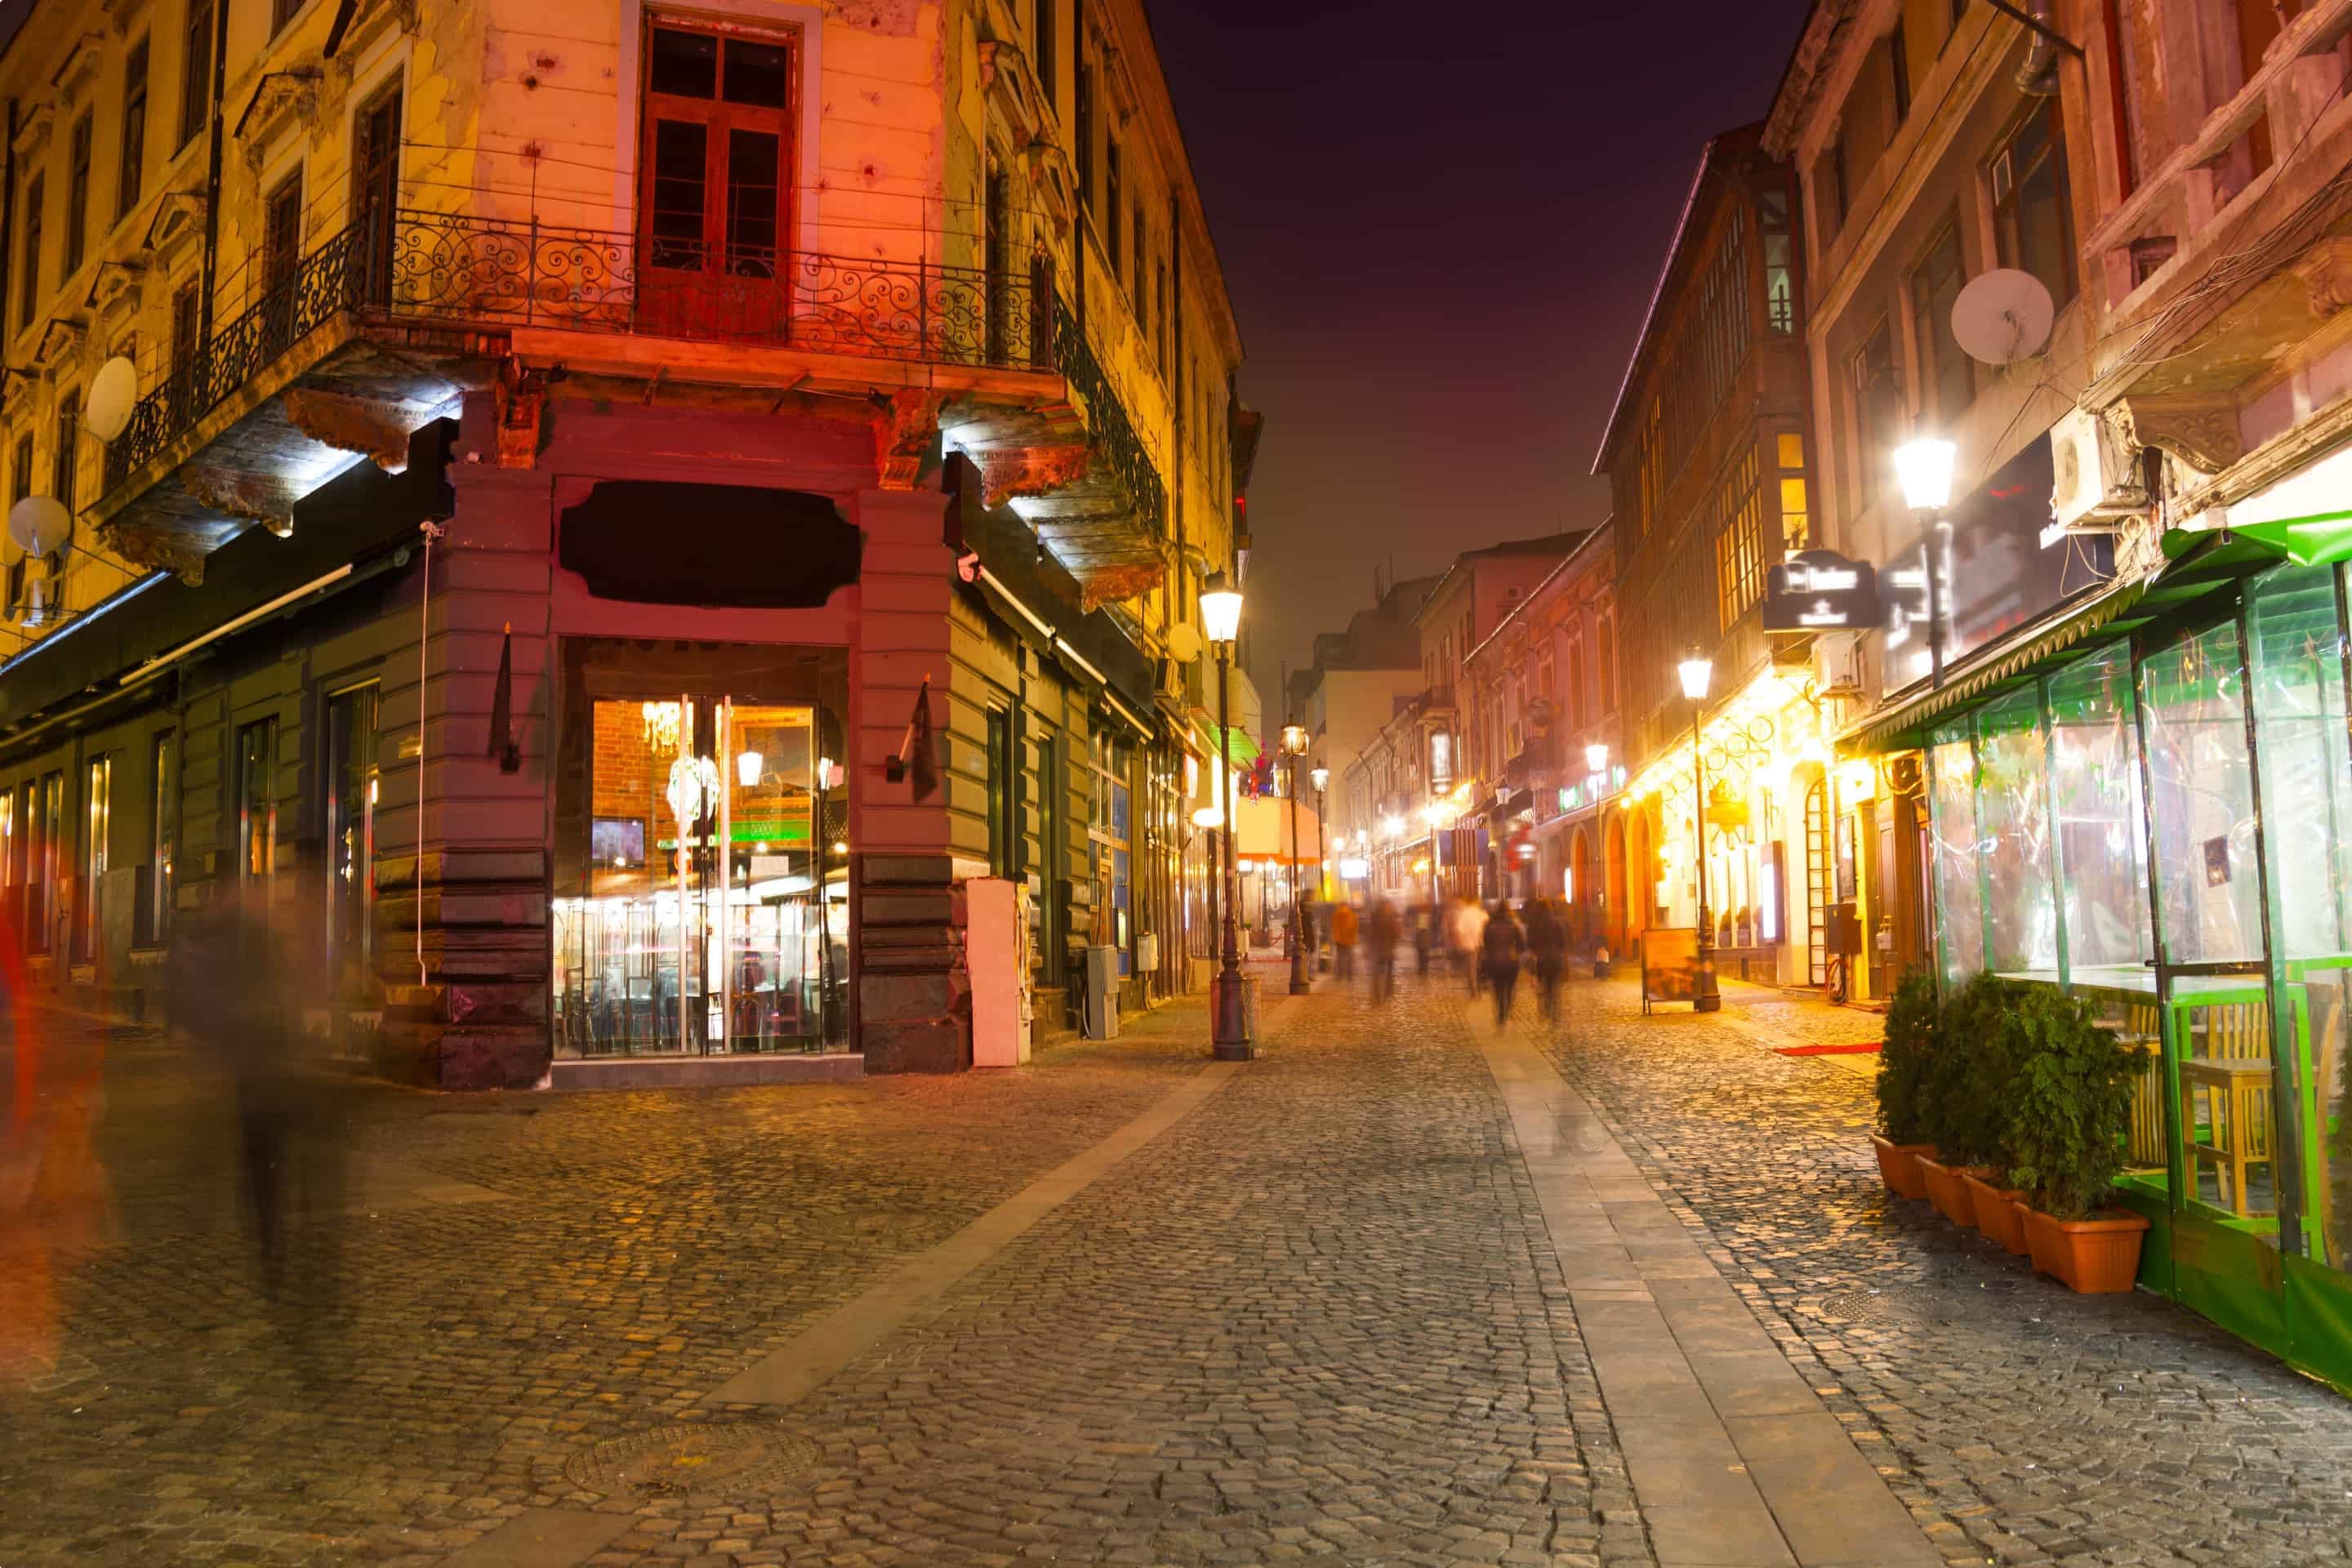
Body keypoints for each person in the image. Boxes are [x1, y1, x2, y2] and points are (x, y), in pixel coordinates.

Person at [1483, 900, 1525, 1026]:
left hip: (1495, 961)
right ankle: (1507, 1009)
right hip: (1511, 962)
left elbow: (1486, 944)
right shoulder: (1513, 924)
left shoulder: (1489, 924)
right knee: (1510, 988)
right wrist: (1516, 951)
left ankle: (1501, 1012)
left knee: (1498, 988)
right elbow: (1521, 945)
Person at [1525, 898, 1566, 1024]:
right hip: (1555, 959)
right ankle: (1556, 1017)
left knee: (1544, 987)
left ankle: (1545, 1011)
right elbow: (1563, 942)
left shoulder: (1534, 924)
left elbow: (1530, 943)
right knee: (1555, 988)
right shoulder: (1557, 923)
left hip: (1541, 961)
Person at [1448, 893, 1489, 994]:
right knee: (1476, 966)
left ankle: (1474, 988)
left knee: (1471, 967)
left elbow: (1458, 929)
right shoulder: (1480, 913)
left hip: (1468, 943)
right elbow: (1484, 928)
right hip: (1479, 943)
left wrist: (1459, 940)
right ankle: (1475, 988)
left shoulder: (1464, 913)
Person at [1366, 898, 1402, 1004]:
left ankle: (1376, 996)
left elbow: (1370, 932)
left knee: (1377, 973)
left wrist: (1370, 945)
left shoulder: (1374, 916)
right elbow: (1397, 932)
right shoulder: (1391, 917)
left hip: (1377, 948)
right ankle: (1388, 992)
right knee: (1389, 973)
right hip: (1388, 948)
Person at [1330, 898, 1360, 981]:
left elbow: (1335, 927)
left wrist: (1337, 938)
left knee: (1340, 959)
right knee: (1349, 959)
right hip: (1349, 940)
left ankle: (1340, 976)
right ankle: (1349, 976)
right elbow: (1355, 928)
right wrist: (1354, 938)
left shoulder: (1336, 914)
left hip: (1340, 941)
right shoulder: (1352, 915)